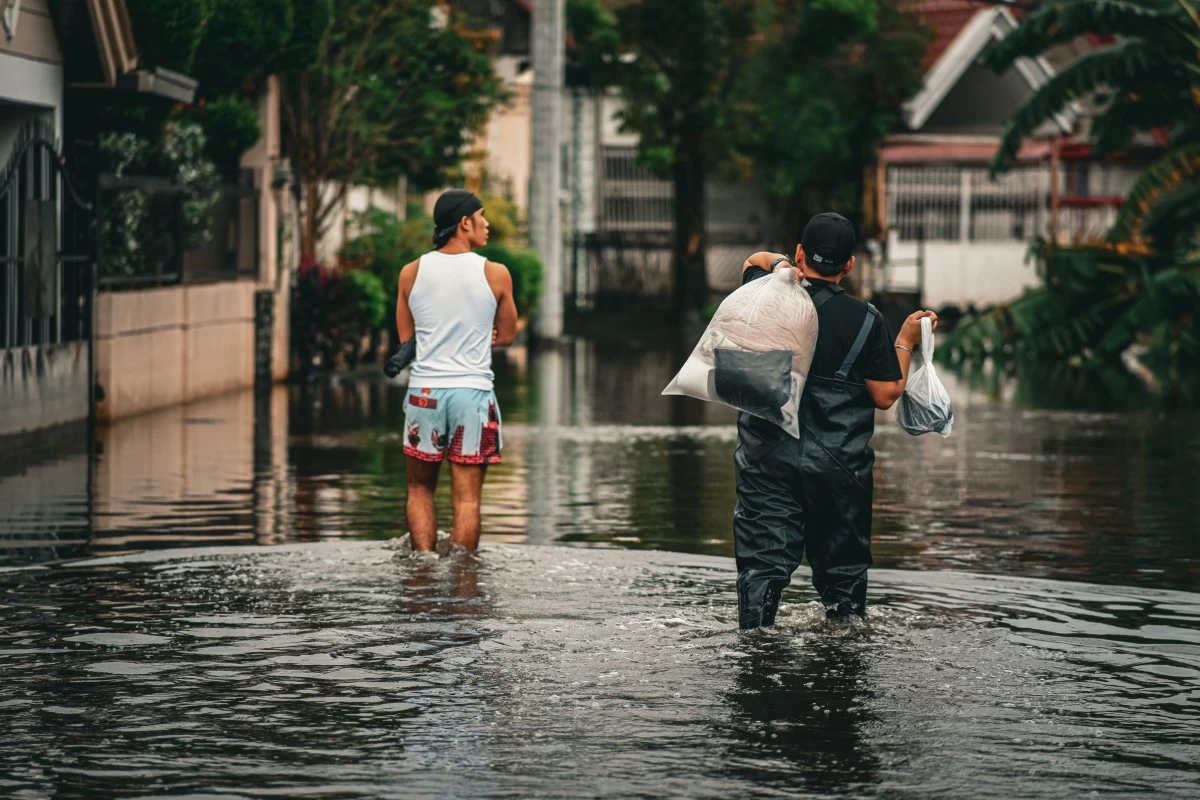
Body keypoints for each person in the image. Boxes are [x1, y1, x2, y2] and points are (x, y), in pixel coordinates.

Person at [735, 212, 937, 628]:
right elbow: (885, 395)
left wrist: (780, 266)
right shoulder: (866, 319)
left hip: (767, 460)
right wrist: (905, 340)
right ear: (849, 265)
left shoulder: (763, 293)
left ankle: (755, 647)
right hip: (838, 466)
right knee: (844, 585)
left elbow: (753, 261)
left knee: (762, 570)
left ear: (799, 253)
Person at [394, 189, 518, 552]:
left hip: (424, 394)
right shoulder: (496, 274)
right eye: (482, 216)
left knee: (419, 489)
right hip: (472, 396)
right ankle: (463, 584)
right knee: (467, 500)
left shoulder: (410, 272)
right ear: (465, 223)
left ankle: (423, 569)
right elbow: (508, 334)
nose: (487, 223)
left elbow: (407, 341)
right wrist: (479, 335)